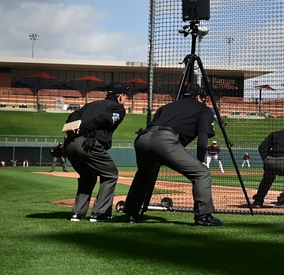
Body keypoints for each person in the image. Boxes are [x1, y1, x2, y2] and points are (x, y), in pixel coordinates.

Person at [123, 83, 222, 227]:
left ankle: (131, 214)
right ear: (199, 97)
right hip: (166, 140)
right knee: (202, 173)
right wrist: (201, 160)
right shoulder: (203, 109)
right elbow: (203, 135)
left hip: (143, 139)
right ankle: (203, 217)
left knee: (144, 175)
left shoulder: (166, 107)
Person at [64, 84, 128, 222]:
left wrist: (71, 127)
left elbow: (73, 115)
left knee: (88, 176)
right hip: (88, 143)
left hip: (70, 144)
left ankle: (78, 214)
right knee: (111, 174)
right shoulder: (118, 108)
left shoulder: (91, 105)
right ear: (120, 96)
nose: (126, 98)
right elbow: (104, 119)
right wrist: (81, 128)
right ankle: (101, 213)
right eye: (125, 95)